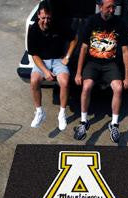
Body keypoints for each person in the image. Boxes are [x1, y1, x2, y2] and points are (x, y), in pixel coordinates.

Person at [74, 0, 128, 143]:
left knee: (118, 88)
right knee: (86, 87)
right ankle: (83, 122)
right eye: (108, 7)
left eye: (114, 7)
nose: (112, 10)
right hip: (92, 63)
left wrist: (127, 77)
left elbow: (125, 51)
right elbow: (84, 48)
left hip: (110, 64)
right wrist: (78, 73)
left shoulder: (120, 23)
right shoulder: (91, 22)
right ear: (100, 7)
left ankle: (114, 124)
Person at [27, 1, 78, 130]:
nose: (46, 21)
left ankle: (61, 114)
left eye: (48, 18)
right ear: (38, 15)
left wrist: (67, 57)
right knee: (34, 81)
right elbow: (34, 55)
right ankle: (39, 112)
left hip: (57, 60)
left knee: (65, 82)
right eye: (43, 18)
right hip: (41, 61)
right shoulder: (33, 29)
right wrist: (45, 71)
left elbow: (74, 39)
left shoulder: (58, 25)